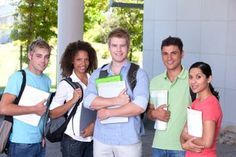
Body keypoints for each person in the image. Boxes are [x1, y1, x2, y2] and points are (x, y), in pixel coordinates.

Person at [84, 28, 149, 157]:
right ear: (109, 47)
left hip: (128, 141)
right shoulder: (98, 73)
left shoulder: (138, 74)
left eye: (122, 45)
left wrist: (108, 112)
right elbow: (88, 101)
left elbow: (140, 106)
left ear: (128, 47)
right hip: (102, 140)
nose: (118, 50)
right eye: (114, 45)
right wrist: (116, 101)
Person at [0, 38, 52, 157]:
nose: (43, 61)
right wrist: (33, 109)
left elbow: (43, 112)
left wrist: (42, 135)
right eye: (39, 56)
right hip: (20, 143)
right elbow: (3, 108)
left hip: (39, 143)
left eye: (46, 57)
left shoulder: (47, 80)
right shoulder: (18, 77)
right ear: (30, 55)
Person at [49, 40, 97, 157]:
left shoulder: (94, 81)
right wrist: (73, 100)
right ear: (71, 61)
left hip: (93, 138)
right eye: (79, 59)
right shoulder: (65, 84)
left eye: (86, 59)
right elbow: (52, 113)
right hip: (73, 141)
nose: (83, 63)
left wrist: (94, 126)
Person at [147, 36, 191, 157]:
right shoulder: (155, 81)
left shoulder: (192, 79)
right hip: (158, 146)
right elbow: (150, 112)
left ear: (182, 54)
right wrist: (154, 114)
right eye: (165, 54)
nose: (169, 58)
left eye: (174, 53)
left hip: (183, 147)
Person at [180, 62, 223, 157]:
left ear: (209, 79)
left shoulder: (211, 105)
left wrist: (187, 137)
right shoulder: (195, 102)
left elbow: (207, 142)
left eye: (198, 77)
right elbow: (182, 135)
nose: (193, 81)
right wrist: (184, 145)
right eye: (191, 77)